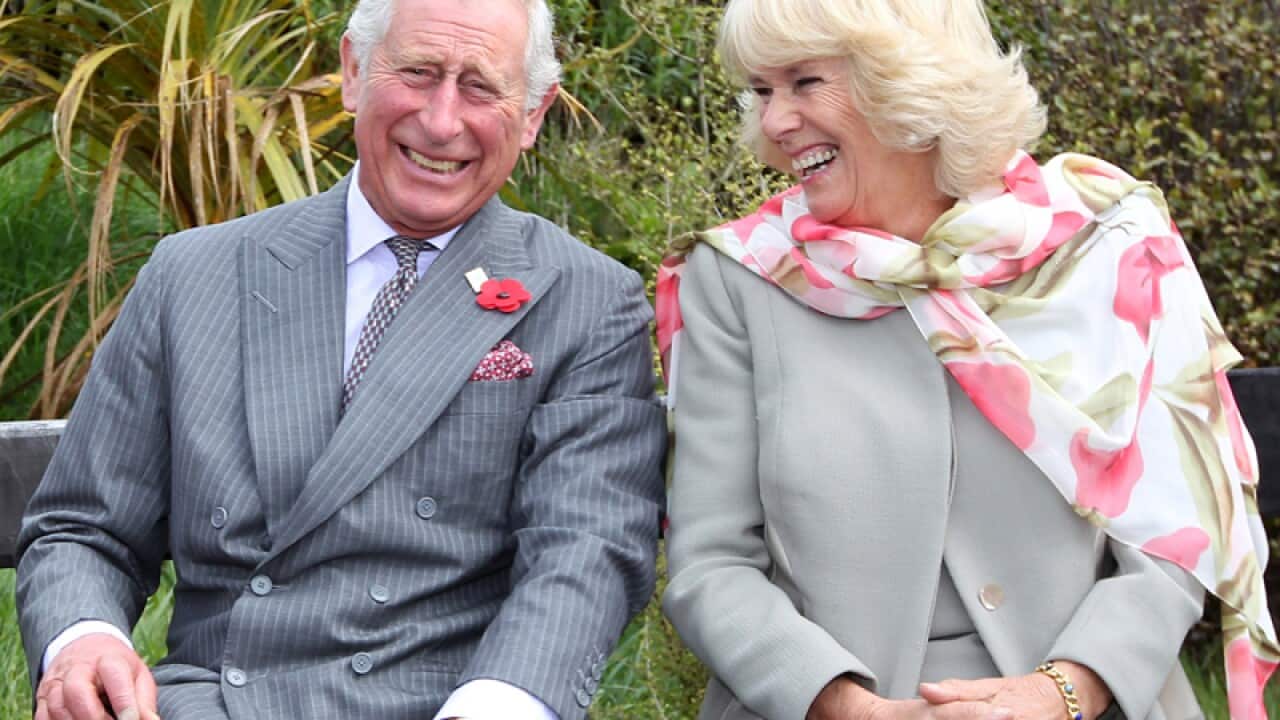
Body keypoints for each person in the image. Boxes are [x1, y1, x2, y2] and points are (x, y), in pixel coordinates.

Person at [16, 0, 667, 718]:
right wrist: (84, 640)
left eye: (481, 87)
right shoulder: (193, 275)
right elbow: (86, 527)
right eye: (418, 73)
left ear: (534, 113)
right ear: (354, 72)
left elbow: (584, 549)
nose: (442, 121)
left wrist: (499, 704)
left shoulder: (587, 302)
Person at [656, 1, 1278, 719]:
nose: (774, 122)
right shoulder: (737, 278)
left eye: (805, 81)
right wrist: (851, 708)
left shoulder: (1106, 242)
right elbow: (712, 564)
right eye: (761, 90)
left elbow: (1176, 532)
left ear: (907, 78)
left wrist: (1057, 694)